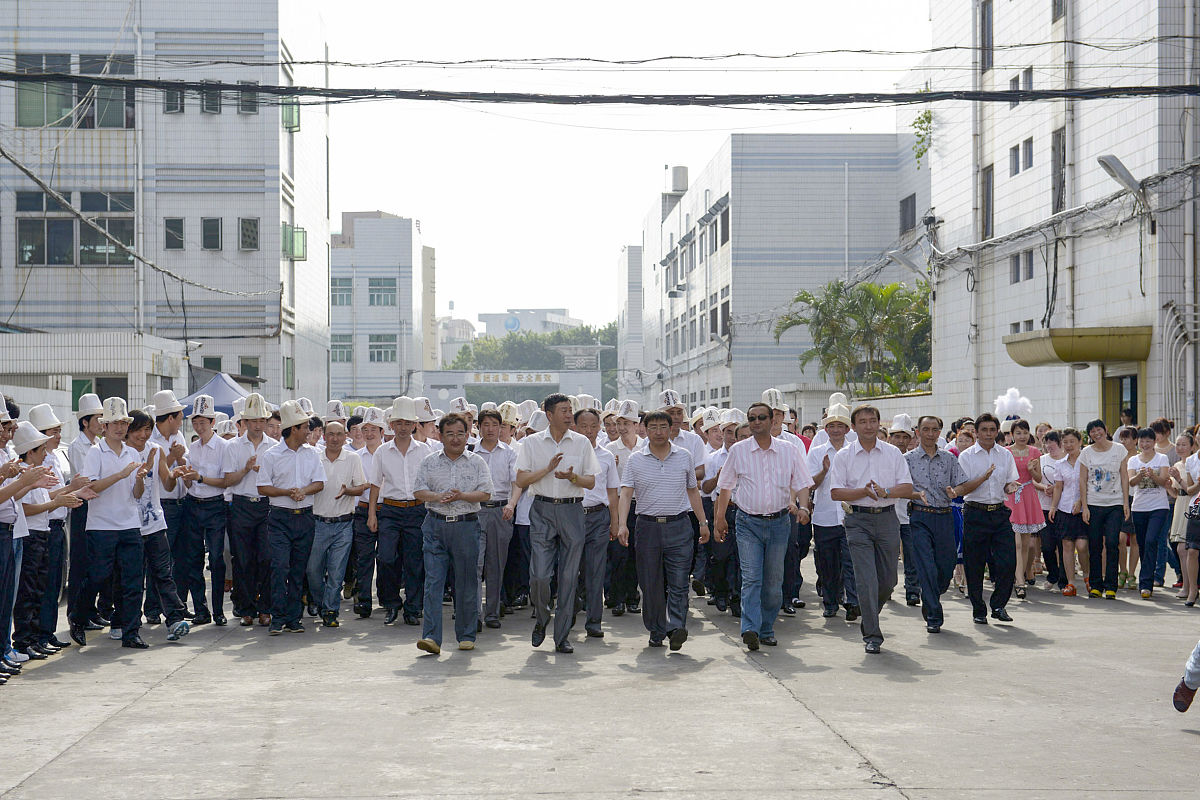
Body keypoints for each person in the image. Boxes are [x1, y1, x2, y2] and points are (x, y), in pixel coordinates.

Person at [715, 401, 813, 651]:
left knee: (773, 581)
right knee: (751, 578)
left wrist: (803, 507)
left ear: (772, 421)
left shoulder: (789, 450)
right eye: (752, 418)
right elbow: (725, 487)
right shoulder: (739, 451)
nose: (756, 422)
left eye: (761, 418)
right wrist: (719, 518)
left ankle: (767, 628)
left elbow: (802, 482)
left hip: (780, 523)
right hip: (747, 523)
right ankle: (750, 628)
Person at [514, 393, 600, 654]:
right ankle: (542, 618)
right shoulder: (531, 443)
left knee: (568, 577)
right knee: (539, 575)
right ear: (549, 415)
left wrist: (573, 477)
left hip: (572, 510)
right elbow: (520, 480)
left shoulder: (582, 443)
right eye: (563, 410)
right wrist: (548, 469)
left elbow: (591, 482)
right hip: (541, 509)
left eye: (569, 409)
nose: (568, 414)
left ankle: (562, 635)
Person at [617, 410, 708, 650]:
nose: (658, 432)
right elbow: (626, 493)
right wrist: (622, 524)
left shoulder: (684, 456)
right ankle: (656, 629)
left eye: (663, 427)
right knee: (651, 583)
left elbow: (692, 490)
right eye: (653, 427)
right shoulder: (636, 459)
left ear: (671, 429)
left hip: (679, 526)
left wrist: (703, 522)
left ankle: (676, 627)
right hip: (647, 527)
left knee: (679, 581)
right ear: (644, 430)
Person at [828, 405, 913, 654]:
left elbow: (907, 487)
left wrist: (886, 492)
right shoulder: (844, 456)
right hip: (857, 521)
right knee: (866, 579)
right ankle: (873, 635)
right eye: (862, 422)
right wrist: (862, 492)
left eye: (872, 421)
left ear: (879, 424)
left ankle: (868, 616)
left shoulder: (892, 454)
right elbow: (836, 492)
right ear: (853, 427)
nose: (868, 425)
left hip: (887, 518)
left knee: (888, 581)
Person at [69, 398, 149, 649]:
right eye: (113, 423)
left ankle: (131, 631)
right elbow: (91, 487)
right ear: (104, 426)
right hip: (102, 524)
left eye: (123, 423)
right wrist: (121, 474)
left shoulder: (133, 452)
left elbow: (136, 493)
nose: (119, 427)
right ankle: (78, 617)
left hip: (129, 523)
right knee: (98, 576)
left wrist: (138, 479)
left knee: (133, 581)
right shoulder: (96, 452)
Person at [412, 413, 494, 655]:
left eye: (460, 433)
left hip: (466, 526)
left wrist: (462, 496)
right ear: (440, 435)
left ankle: (466, 635)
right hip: (435, 525)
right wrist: (438, 497)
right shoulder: (429, 461)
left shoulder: (477, 462)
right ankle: (431, 637)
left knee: (467, 582)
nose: (455, 438)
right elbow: (418, 490)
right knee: (434, 582)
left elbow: (486, 494)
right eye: (450, 433)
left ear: (468, 435)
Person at [11, 421, 82, 658]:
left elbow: (46, 498)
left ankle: (35, 639)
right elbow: (26, 508)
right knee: (27, 593)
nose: (45, 453)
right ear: (29, 452)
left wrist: (71, 491)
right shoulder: (22, 474)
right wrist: (56, 502)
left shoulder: (35, 474)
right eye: (40, 450)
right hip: (30, 536)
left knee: (39, 591)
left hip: (42, 535)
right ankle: (23, 641)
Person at [257, 400, 326, 635]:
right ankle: (278, 617)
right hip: (279, 518)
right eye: (305, 426)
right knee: (279, 567)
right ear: (294, 429)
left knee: (299, 569)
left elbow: (319, 482)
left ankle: (294, 618)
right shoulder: (272, 455)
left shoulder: (312, 454)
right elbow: (263, 487)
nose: (309, 431)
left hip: (305, 517)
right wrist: (288, 492)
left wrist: (303, 491)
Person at [124, 410, 191, 643]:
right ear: (128, 431)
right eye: (139, 430)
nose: (144, 434)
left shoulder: (156, 449)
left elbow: (167, 484)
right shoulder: (123, 453)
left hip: (155, 522)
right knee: (132, 578)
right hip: (129, 525)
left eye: (147, 430)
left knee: (164, 573)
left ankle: (174, 619)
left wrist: (175, 474)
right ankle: (124, 623)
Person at [367, 397, 433, 626]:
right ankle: (391, 602)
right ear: (391, 425)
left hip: (417, 510)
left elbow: (430, 483)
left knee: (415, 561)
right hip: (391, 511)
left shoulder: (425, 451)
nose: (403, 427)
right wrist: (372, 514)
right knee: (385, 558)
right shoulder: (383, 452)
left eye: (407, 423)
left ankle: (413, 608)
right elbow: (375, 484)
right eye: (399, 423)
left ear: (414, 425)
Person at [955, 412, 1022, 625]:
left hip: (1000, 512)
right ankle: (978, 609)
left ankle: (999, 604)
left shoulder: (1005, 455)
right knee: (974, 564)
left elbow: (1009, 483)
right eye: (984, 430)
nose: (988, 434)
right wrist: (983, 478)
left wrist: (1011, 487)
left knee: (1007, 561)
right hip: (975, 512)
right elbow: (962, 488)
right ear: (976, 432)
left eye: (992, 430)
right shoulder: (966, 456)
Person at [905, 415, 967, 633]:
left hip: (944, 515)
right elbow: (900, 487)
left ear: (940, 432)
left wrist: (955, 491)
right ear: (918, 432)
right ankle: (933, 615)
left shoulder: (949, 459)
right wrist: (913, 494)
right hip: (919, 517)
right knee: (926, 566)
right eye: (926, 429)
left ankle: (930, 593)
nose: (930, 433)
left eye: (934, 429)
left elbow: (962, 484)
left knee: (946, 566)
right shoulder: (908, 459)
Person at [222, 392, 277, 626]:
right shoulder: (233, 447)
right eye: (252, 421)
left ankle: (265, 607)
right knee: (242, 560)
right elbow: (227, 480)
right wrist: (245, 469)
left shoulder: (275, 447)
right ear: (244, 422)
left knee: (266, 557)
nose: (257, 425)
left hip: (266, 506)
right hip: (241, 504)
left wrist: (262, 473)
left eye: (261, 420)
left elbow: (279, 480)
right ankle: (246, 609)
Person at [307, 420, 367, 628]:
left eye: (339, 434)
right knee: (313, 570)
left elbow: (360, 487)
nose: (334, 438)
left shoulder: (352, 458)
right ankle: (320, 600)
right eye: (330, 434)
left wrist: (348, 491)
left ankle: (330, 610)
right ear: (323, 435)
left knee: (336, 571)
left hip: (343, 523)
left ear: (345, 436)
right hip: (317, 522)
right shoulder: (314, 457)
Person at [806, 403, 859, 620]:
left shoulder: (856, 451)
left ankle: (852, 602)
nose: (836, 429)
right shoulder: (817, 452)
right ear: (825, 429)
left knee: (851, 561)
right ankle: (830, 602)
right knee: (827, 563)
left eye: (840, 425)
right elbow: (809, 484)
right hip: (825, 516)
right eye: (831, 426)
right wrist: (824, 471)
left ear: (847, 429)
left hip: (851, 516)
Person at [180, 394, 229, 626]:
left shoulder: (223, 447)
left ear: (212, 422)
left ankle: (218, 610)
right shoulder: (193, 447)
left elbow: (225, 482)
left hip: (215, 506)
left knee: (217, 559)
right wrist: (187, 477)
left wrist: (199, 477)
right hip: (193, 505)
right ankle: (200, 609)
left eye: (203, 422)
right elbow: (191, 482)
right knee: (193, 559)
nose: (199, 427)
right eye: (195, 423)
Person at [575, 407, 619, 639]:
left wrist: (615, 521)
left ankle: (594, 621)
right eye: (584, 426)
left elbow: (613, 492)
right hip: (572, 516)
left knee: (595, 570)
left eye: (593, 426)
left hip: (599, 517)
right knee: (570, 570)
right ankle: (569, 612)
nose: (589, 431)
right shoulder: (567, 453)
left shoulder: (606, 456)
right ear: (575, 427)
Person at [475, 409, 520, 629]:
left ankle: (492, 612)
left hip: (501, 511)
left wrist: (512, 504)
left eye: (495, 424)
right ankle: (474, 613)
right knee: (475, 564)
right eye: (486, 424)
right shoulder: (471, 452)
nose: (491, 429)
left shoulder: (509, 453)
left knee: (496, 565)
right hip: (475, 511)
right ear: (479, 427)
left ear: (502, 427)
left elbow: (517, 482)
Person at [1078, 419, 1130, 600]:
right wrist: (1084, 506)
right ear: (1089, 434)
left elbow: (1124, 476)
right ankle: (1095, 585)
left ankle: (1111, 586)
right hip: (1093, 503)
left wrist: (1125, 503)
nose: (1096, 433)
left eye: (1098, 429)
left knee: (1112, 543)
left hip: (1114, 504)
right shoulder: (1086, 452)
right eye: (1091, 431)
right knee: (1094, 545)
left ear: (1105, 430)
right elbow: (1082, 480)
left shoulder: (1119, 449)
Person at [66, 393, 105, 630]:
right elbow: (86, 478)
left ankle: (90, 611)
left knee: (94, 562)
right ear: (85, 422)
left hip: (96, 506)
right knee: (80, 562)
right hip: (81, 506)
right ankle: (75, 613)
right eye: (98, 419)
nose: (102, 423)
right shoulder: (78, 446)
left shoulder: (98, 445)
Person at [701, 410, 744, 615]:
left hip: (743, 510)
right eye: (727, 431)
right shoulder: (713, 458)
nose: (731, 436)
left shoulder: (749, 456)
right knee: (720, 555)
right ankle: (720, 592)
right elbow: (706, 489)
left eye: (736, 432)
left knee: (739, 557)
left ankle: (736, 597)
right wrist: (719, 478)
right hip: (720, 509)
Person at [605, 400, 643, 615]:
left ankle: (632, 597)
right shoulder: (610, 449)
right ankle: (616, 598)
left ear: (637, 425)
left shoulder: (646, 447)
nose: (621, 427)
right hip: (619, 505)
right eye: (619, 422)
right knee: (618, 554)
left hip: (641, 506)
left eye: (627, 422)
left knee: (637, 555)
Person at [1128, 427, 1171, 599]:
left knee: (1152, 540)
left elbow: (1164, 482)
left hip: (1159, 506)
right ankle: (1149, 575)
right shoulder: (1133, 460)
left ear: (1154, 442)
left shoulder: (1162, 458)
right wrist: (1140, 475)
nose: (1145, 444)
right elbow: (1131, 482)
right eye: (1142, 441)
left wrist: (1153, 475)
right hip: (1139, 507)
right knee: (1143, 544)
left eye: (1148, 441)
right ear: (1138, 442)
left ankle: (1145, 583)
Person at [351, 406, 386, 618]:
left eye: (374, 429)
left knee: (386, 557)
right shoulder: (355, 457)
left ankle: (384, 596)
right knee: (364, 558)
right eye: (366, 429)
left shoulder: (389, 453)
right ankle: (363, 600)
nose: (370, 433)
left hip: (388, 510)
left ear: (382, 432)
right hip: (363, 511)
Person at [1005, 420, 1044, 598]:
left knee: (1027, 543)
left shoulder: (1035, 452)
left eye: (1025, 432)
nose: (1022, 436)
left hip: (1028, 494)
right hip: (1012, 496)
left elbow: (1038, 477)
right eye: (1018, 433)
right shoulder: (1006, 452)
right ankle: (1019, 580)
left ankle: (1022, 572)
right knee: (1017, 542)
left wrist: (1032, 470)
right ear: (1012, 435)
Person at [887, 414, 922, 607]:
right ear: (890, 437)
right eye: (897, 436)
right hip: (888, 514)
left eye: (905, 437)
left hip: (909, 514)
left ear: (910, 439)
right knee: (889, 555)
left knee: (911, 554)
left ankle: (912, 591)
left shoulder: (914, 459)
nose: (901, 441)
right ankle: (888, 587)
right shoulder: (883, 457)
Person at [1049, 429, 1087, 597]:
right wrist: (1053, 507)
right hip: (1064, 509)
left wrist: (1081, 502)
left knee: (1082, 545)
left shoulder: (1086, 461)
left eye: (1072, 441)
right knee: (1067, 546)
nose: (1069, 445)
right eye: (1065, 442)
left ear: (1080, 442)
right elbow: (1058, 487)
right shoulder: (1060, 464)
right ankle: (1071, 583)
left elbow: (1090, 483)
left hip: (1083, 508)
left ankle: (1087, 575)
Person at [1167, 432, 1198, 602]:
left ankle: (1189, 587)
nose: (1180, 448)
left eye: (1184, 444)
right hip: (1180, 504)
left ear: (1192, 446)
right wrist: (1168, 486)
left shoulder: (1193, 464)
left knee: (1185, 549)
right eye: (1178, 444)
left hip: (1192, 504)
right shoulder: (1177, 464)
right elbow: (1176, 492)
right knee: (1181, 549)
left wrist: (1178, 478)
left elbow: (1191, 489)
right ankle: (1187, 585)